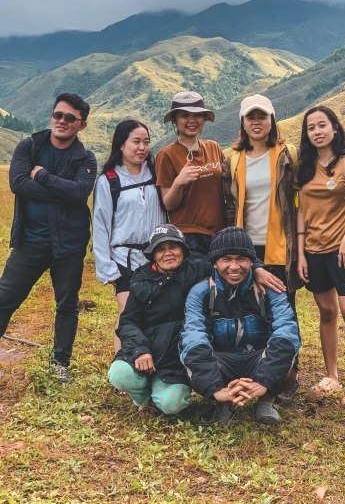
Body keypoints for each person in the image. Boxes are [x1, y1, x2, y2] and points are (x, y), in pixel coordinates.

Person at [0, 93, 97, 383]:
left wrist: (41, 176)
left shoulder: (86, 157)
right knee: (5, 298)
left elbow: (80, 193)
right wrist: (62, 190)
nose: (62, 121)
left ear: (82, 125)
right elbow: (18, 184)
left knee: (67, 303)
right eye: (58, 115)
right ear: (51, 116)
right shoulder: (29, 146)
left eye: (70, 118)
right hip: (30, 241)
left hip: (69, 244)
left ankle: (60, 365)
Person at [222, 94, 301, 402]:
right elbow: (230, 208)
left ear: (272, 121)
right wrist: (246, 259)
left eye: (262, 117)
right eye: (251, 117)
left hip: (281, 246)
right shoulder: (233, 158)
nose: (257, 122)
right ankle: (253, 372)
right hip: (245, 247)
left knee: (285, 311)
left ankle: (288, 376)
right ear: (243, 123)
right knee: (250, 311)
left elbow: (304, 194)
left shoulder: (288, 154)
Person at [296, 105, 345, 410]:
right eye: (311, 127)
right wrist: (301, 252)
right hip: (314, 250)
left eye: (322, 125)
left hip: (344, 251)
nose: (316, 132)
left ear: (334, 128)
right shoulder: (304, 166)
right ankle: (331, 376)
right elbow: (301, 210)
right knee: (327, 312)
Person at [180, 228, 301, 425]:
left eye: (242, 259)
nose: (234, 267)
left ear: (252, 262)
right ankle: (224, 402)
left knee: (287, 364)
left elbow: (287, 332)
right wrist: (215, 388)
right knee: (192, 367)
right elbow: (193, 338)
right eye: (226, 259)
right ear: (215, 262)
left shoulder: (270, 288)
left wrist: (264, 382)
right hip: (221, 362)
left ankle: (266, 400)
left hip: (258, 359)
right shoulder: (200, 293)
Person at [108, 225, 210, 417]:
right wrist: (140, 350)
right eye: (161, 249)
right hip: (144, 352)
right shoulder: (141, 280)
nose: (168, 253)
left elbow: (229, 264)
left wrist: (256, 269)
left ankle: (161, 393)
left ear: (183, 250)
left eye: (173, 247)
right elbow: (128, 321)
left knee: (173, 404)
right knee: (119, 374)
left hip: (175, 359)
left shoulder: (197, 270)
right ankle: (144, 400)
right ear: (153, 255)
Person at [93, 120, 167, 352]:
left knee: (155, 312)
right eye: (135, 141)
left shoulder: (156, 174)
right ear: (121, 145)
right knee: (128, 314)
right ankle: (122, 366)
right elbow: (101, 225)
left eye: (146, 142)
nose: (142, 147)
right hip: (124, 258)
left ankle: (151, 361)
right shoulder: (109, 181)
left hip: (156, 257)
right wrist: (106, 267)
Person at [155, 91, 226, 260]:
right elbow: (169, 205)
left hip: (219, 233)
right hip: (189, 237)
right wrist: (179, 183)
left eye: (197, 115)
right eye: (185, 115)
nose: (192, 120)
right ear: (175, 120)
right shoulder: (166, 155)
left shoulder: (213, 147)